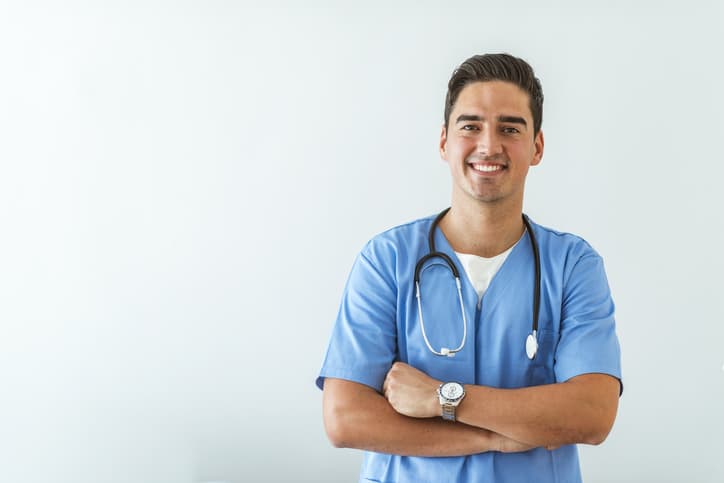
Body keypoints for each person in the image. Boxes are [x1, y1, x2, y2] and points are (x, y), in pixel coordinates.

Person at [316, 53, 622, 483]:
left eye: (510, 128)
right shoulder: (388, 259)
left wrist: (440, 398)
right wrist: (493, 437)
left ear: (536, 147)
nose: (489, 145)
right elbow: (345, 419)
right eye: (471, 126)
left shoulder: (572, 266)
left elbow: (591, 414)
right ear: (444, 142)